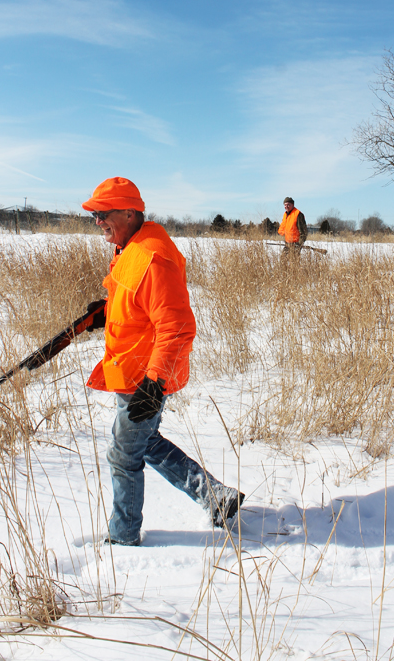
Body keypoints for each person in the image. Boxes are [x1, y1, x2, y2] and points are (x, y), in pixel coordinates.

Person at [82, 176, 244, 546]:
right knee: (145, 441)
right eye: (94, 215)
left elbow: (176, 326)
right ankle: (215, 496)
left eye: (102, 213)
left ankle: (122, 537)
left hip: (144, 376)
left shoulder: (153, 255)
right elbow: (137, 300)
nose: (98, 221)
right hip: (130, 369)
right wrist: (105, 312)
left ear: (128, 212)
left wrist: (154, 384)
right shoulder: (130, 245)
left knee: (123, 454)